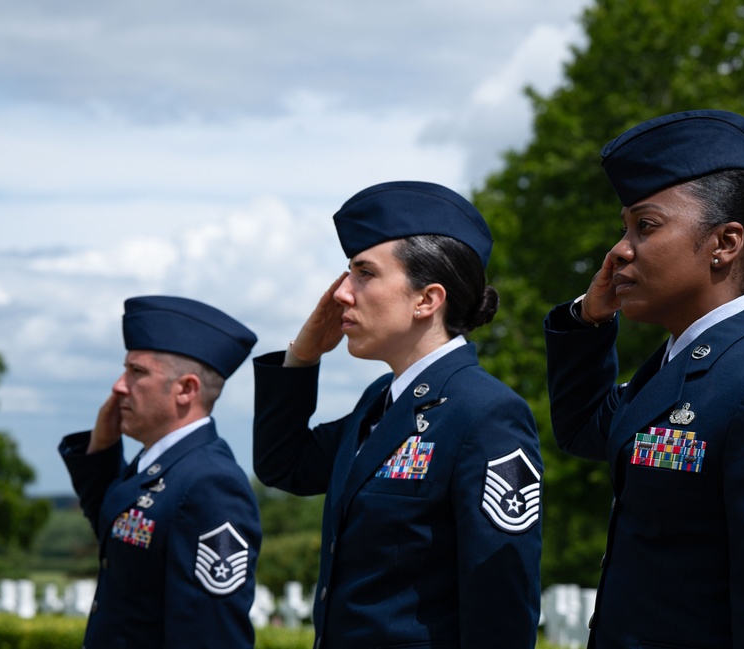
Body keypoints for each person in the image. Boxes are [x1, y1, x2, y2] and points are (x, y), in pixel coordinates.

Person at [544, 109, 744, 648]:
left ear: (725, 243)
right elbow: (583, 425)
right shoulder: (670, 373)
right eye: (624, 228)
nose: (618, 251)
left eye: (646, 226)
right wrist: (587, 321)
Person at [252, 181, 543, 648]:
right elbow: (282, 464)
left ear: (426, 300)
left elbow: (501, 596)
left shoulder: (485, 413)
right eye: (347, 273)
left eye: (364, 273)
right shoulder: (380, 401)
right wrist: (302, 357)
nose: (341, 294)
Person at [59, 295, 261, 649]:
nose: (119, 386)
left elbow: (210, 637)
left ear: (185, 389)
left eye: (137, 372)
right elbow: (115, 529)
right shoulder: (159, 465)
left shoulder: (209, 484)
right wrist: (102, 448)